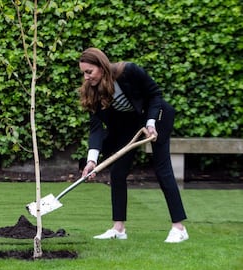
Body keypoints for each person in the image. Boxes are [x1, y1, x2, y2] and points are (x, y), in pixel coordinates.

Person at [79, 48, 189, 243]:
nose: (86, 77)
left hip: (158, 117)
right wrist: (91, 161)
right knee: (118, 172)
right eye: (83, 73)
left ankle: (179, 228)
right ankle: (118, 229)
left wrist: (151, 123)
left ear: (102, 67)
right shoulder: (92, 92)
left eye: (89, 72)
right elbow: (96, 129)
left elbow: (155, 95)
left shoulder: (129, 71)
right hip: (130, 124)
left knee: (162, 168)